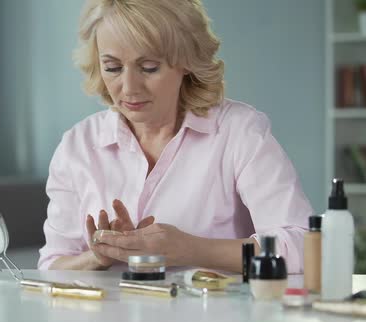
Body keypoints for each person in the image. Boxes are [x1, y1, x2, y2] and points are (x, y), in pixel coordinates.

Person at [37, 0, 313, 273]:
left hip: (221, 315)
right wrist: (101, 256)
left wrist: (190, 249)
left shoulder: (239, 131)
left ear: (186, 62)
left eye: (148, 68)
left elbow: (303, 247)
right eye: (112, 68)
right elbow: (52, 265)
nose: (129, 88)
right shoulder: (77, 146)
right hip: (111, 317)